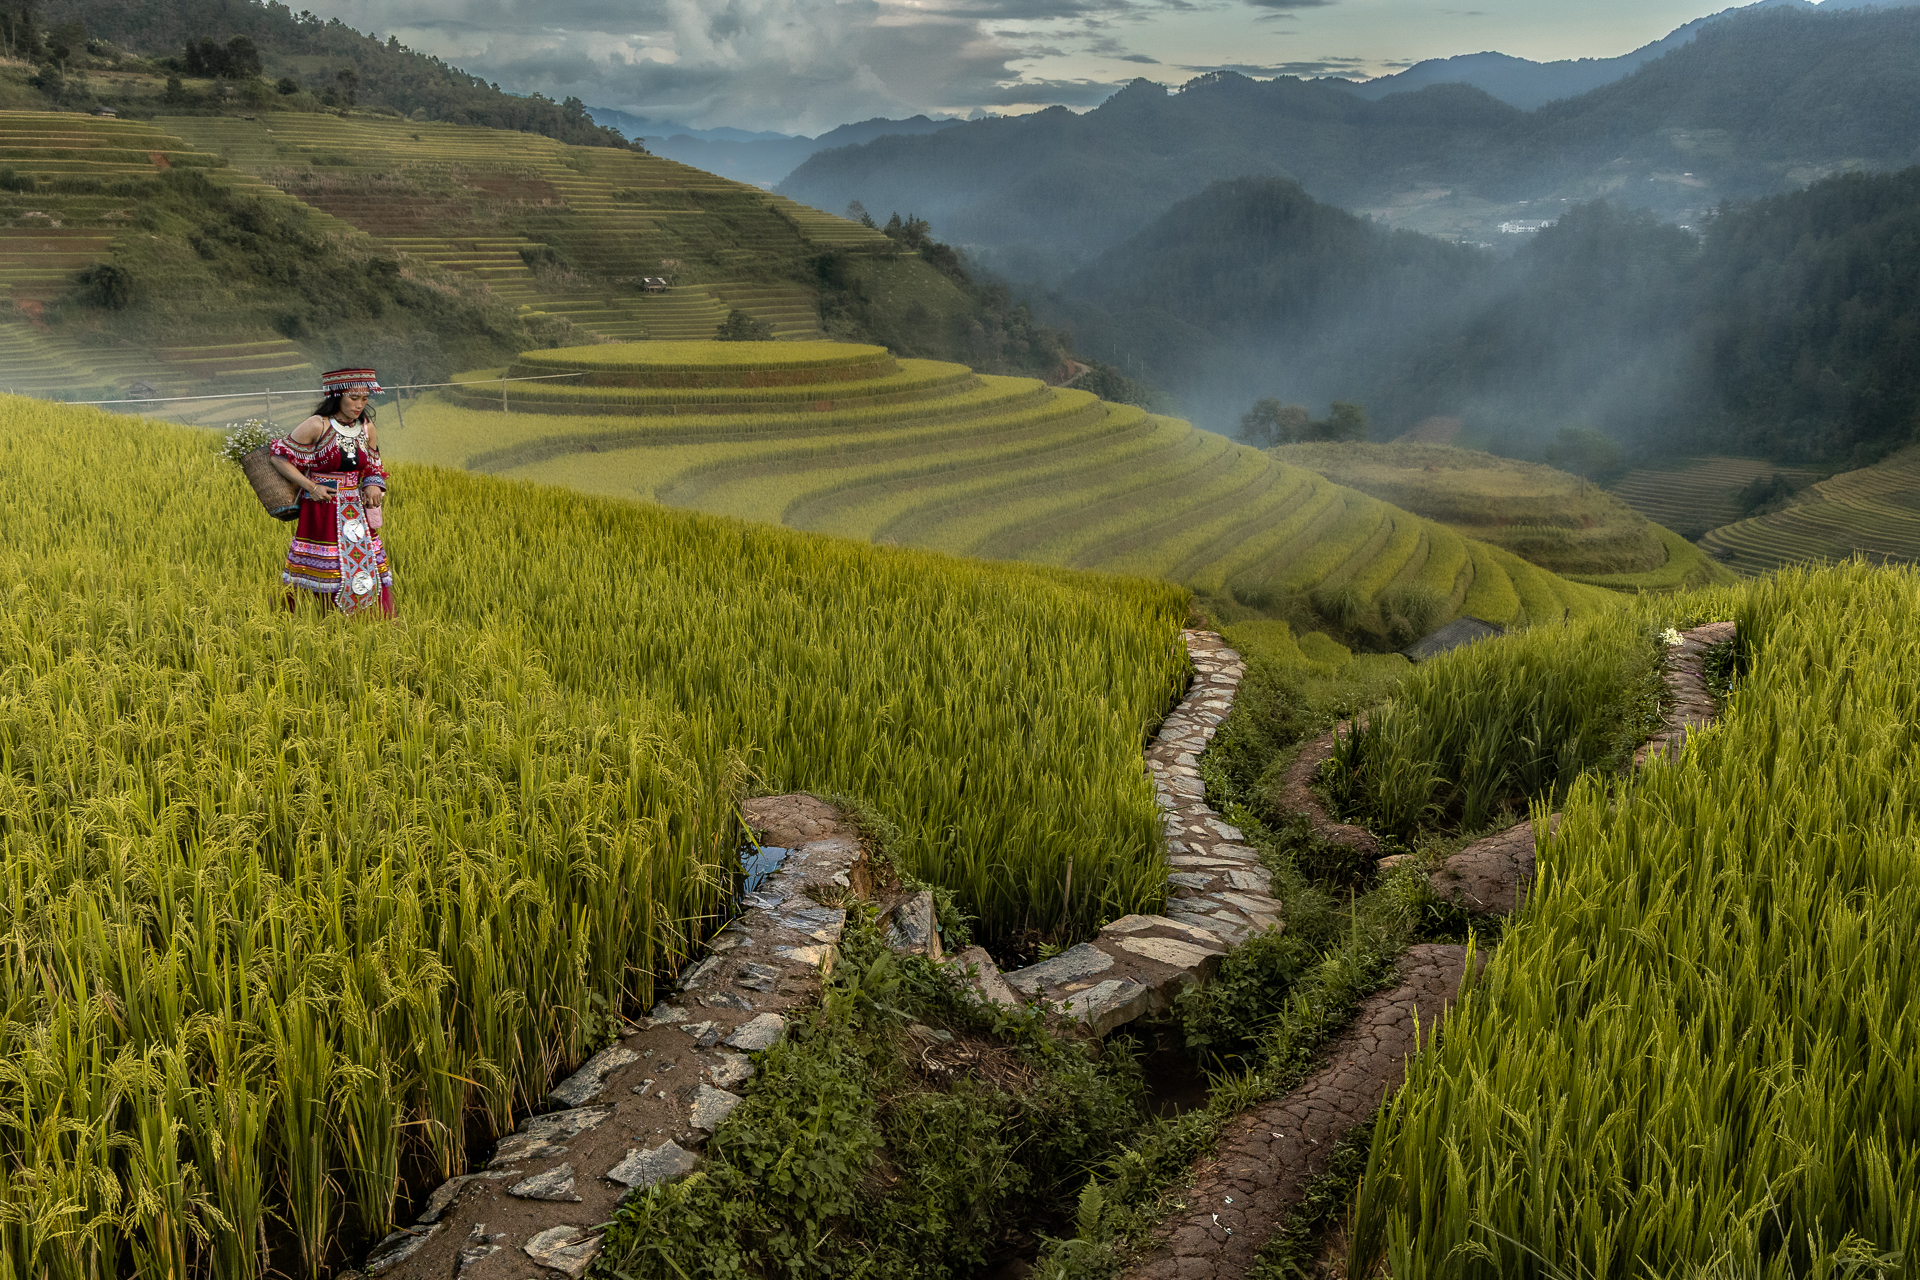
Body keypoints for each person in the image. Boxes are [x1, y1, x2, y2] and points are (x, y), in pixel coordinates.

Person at [268, 367, 394, 615]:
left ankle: (358, 618)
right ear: (337, 395)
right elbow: (279, 456)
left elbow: (373, 465)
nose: (360, 405)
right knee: (325, 565)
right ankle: (317, 617)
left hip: (355, 509)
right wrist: (311, 487)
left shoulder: (366, 427)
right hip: (322, 506)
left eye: (364, 399)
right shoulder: (318, 424)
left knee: (362, 564)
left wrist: (372, 483)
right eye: (353, 398)